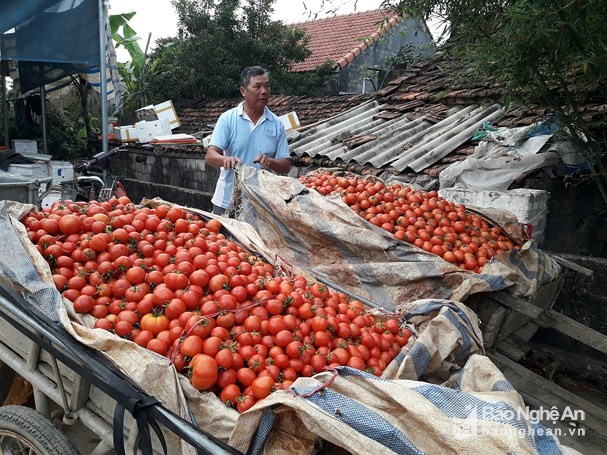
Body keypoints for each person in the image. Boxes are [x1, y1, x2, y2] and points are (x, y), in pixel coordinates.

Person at [205, 66, 291, 215]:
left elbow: (286, 165)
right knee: (220, 238)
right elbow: (210, 156)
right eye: (257, 87)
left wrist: (270, 161)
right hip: (226, 201)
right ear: (243, 91)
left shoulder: (276, 124)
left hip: (260, 204)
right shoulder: (228, 119)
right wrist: (226, 159)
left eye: (267, 86)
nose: (264, 91)